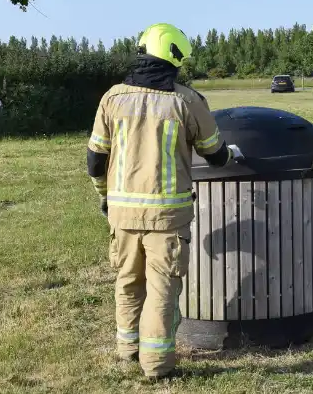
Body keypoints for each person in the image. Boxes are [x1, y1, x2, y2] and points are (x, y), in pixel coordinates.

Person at [86, 23, 243, 379]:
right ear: (174, 59)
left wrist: (104, 198)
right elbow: (214, 153)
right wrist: (232, 155)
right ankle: (156, 365)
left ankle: (128, 349)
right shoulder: (186, 101)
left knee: (127, 280)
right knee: (161, 288)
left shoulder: (112, 98)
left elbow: (96, 160)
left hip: (122, 213)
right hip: (166, 217)